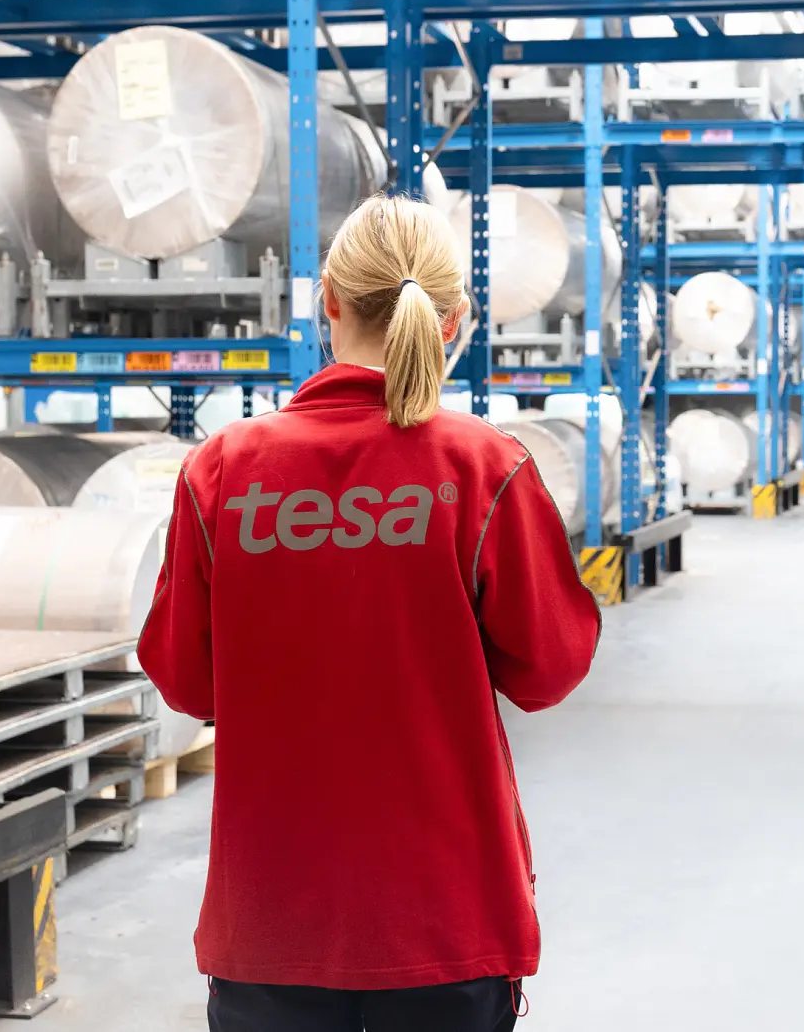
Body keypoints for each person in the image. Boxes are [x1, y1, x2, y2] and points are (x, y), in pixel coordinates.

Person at [139, 194, 603, 1032]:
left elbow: (185, 680)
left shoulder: (221, 471)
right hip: (444, 915)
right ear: (456, 320)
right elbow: (549, 668)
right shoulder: (484, 469)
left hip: (271, 919)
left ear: (328, 303)